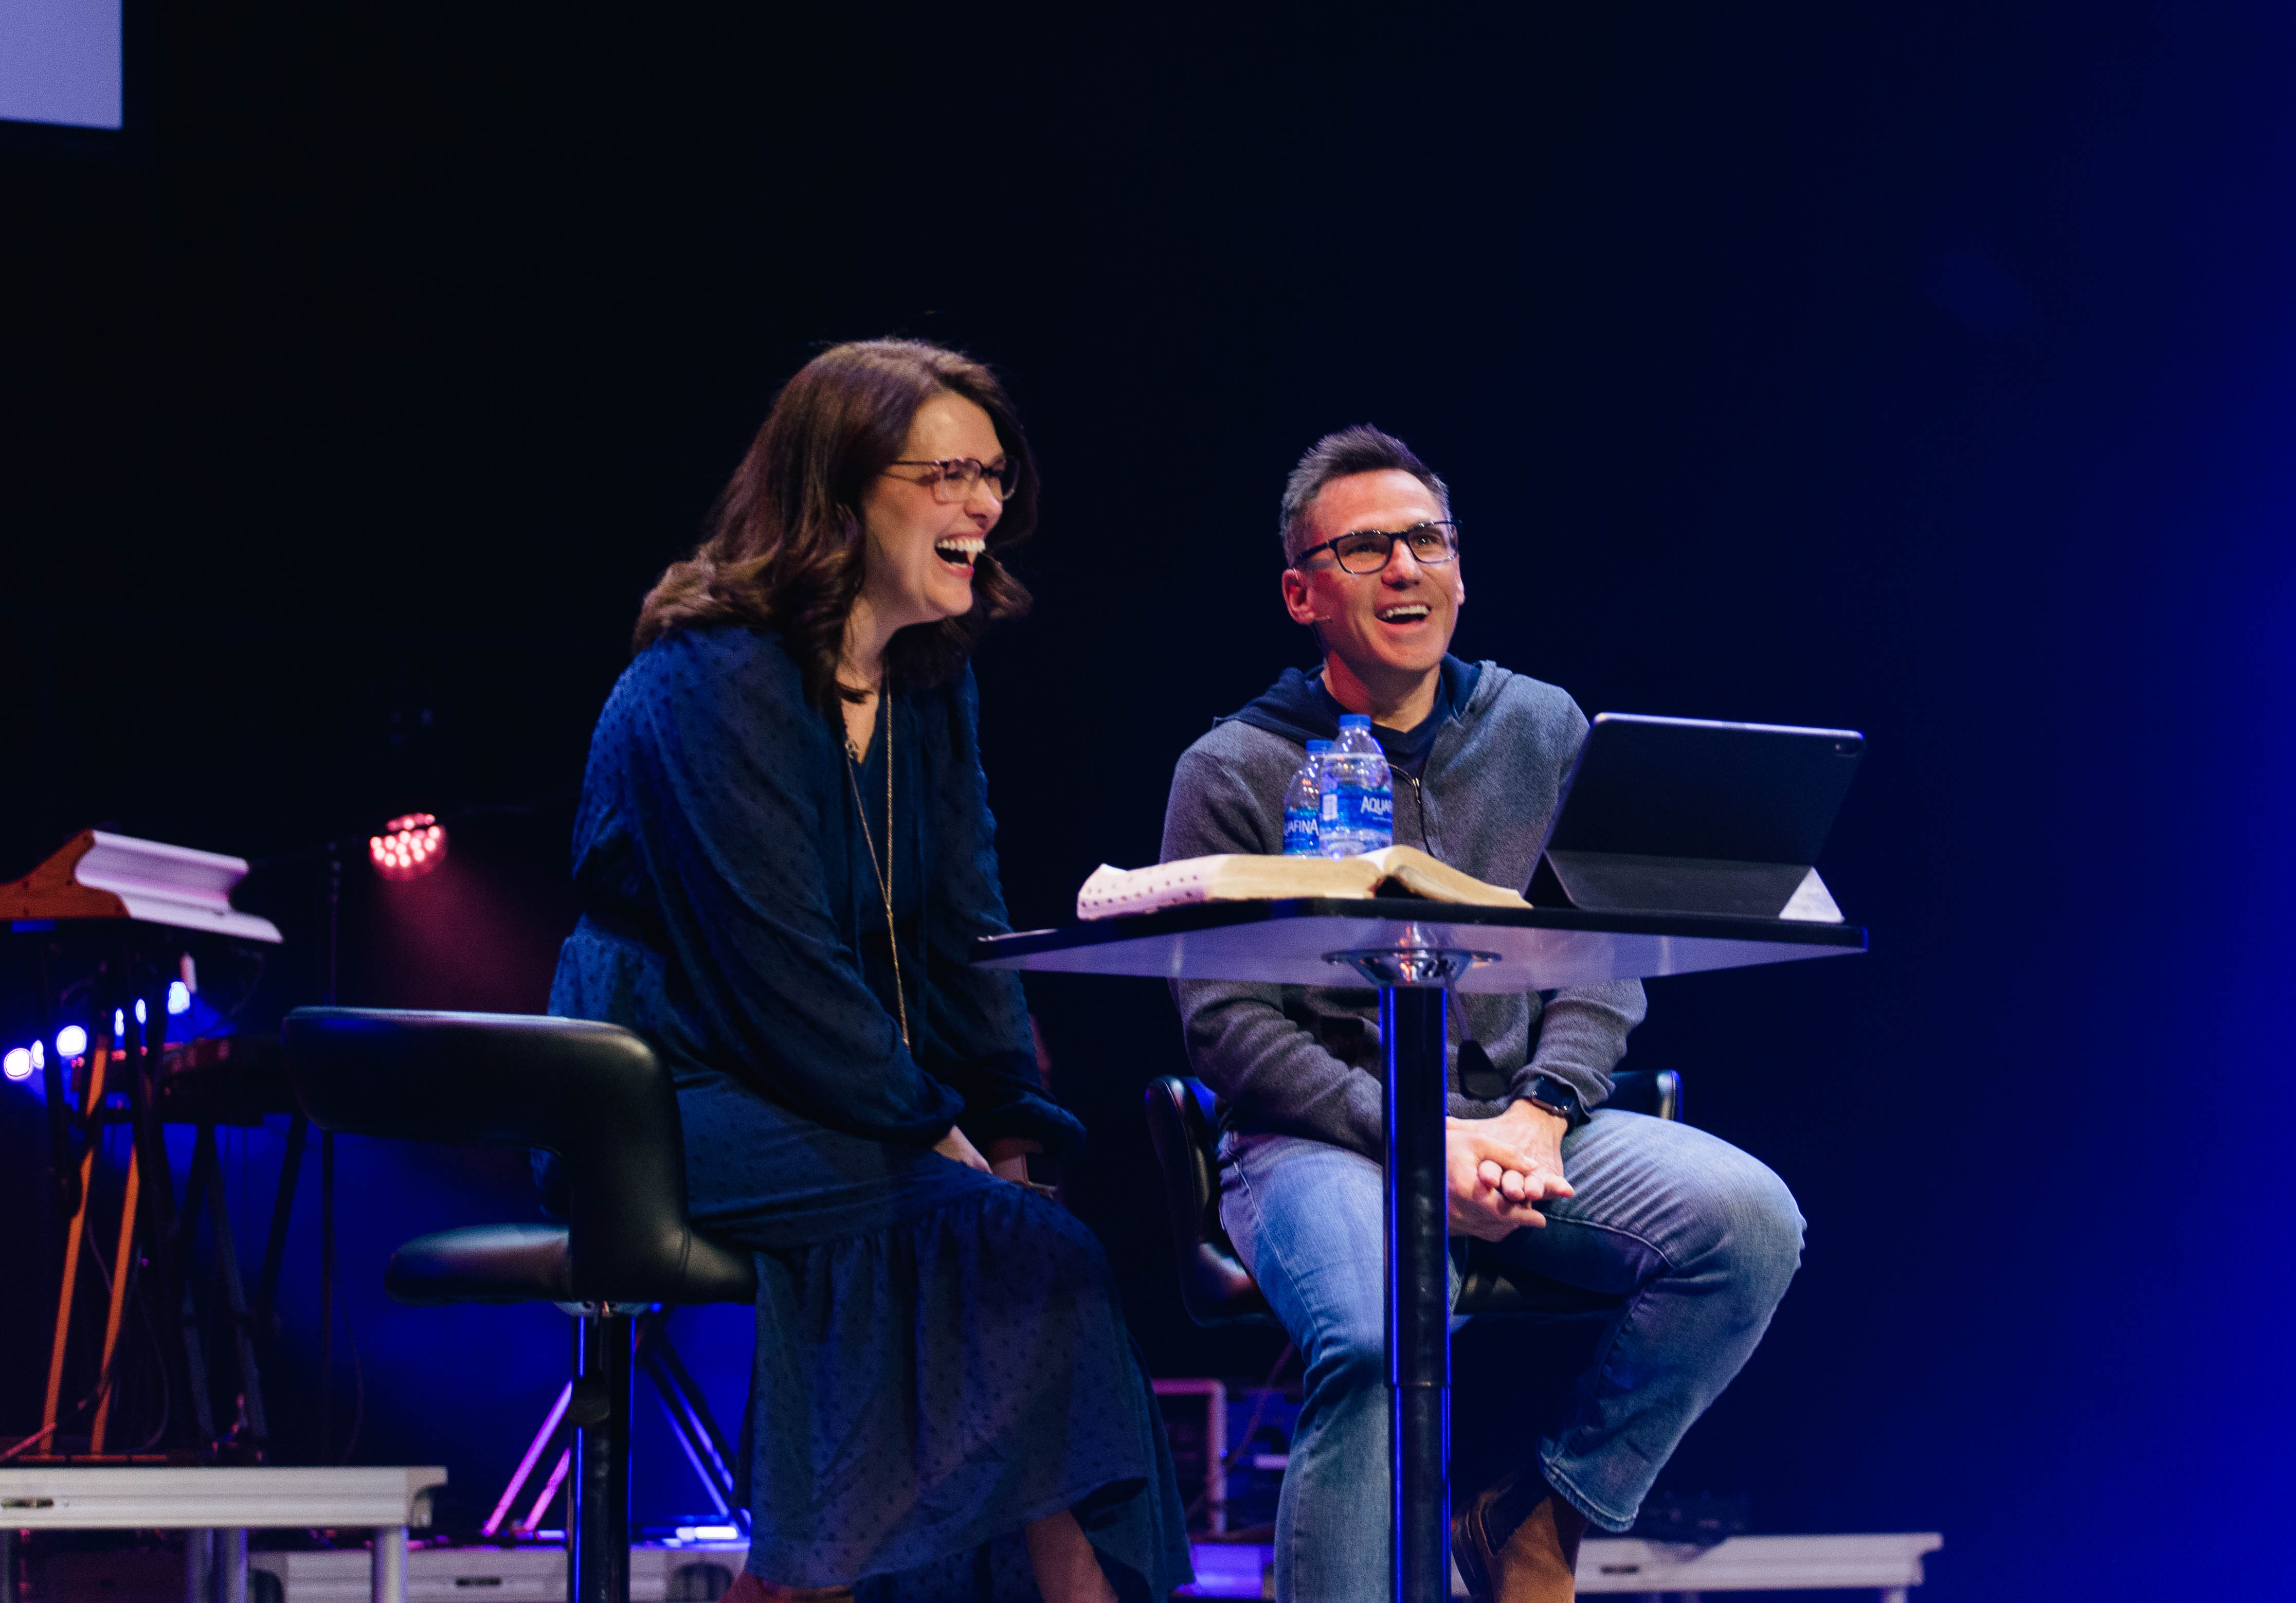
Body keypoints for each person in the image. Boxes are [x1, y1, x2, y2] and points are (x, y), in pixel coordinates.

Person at [548, 340, 1190, 1603]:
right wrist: (931, 1128)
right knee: (997, 1239)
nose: (983, 505)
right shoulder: (712, 675)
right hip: (664, 1093)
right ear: (837, 489)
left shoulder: (926, 683)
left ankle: (809, 1586)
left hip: (833, 1095)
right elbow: (773, 967)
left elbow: (962, 929)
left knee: (1018, 1227)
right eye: (947, 474)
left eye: (995, 476)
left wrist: (1007, 1119)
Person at [1160, 426, 1806, 1603]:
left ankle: (1536, 1522)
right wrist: (1421, 1140)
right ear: (1301, 592)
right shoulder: (1233, 764)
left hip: (1517, 1126)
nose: (1405, 567)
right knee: (1376, 1336)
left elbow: (1601, 958)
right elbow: (1227, 1025)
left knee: (1749, 1222)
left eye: (1427, 539)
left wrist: (1539, 1111)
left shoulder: (1542, 724)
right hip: (1324, 1139)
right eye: (1365, 547)